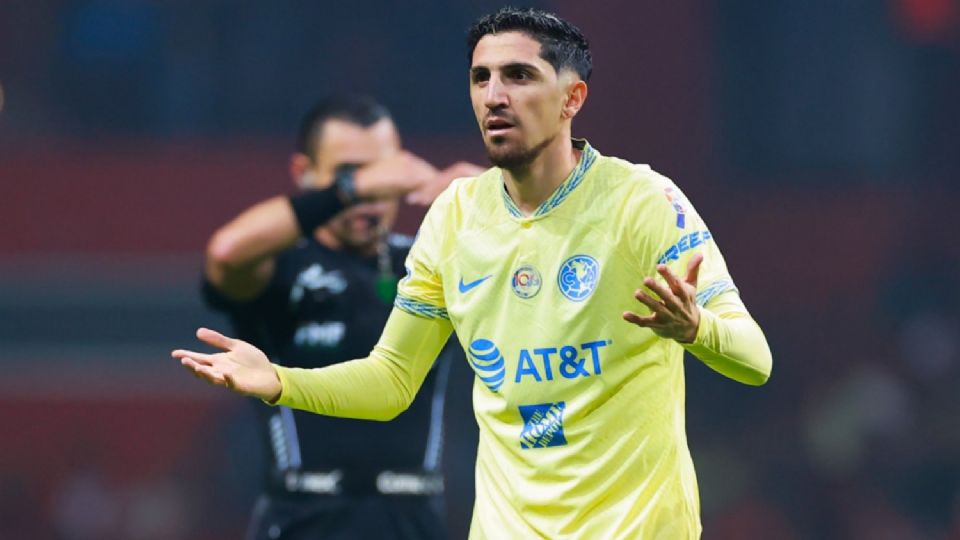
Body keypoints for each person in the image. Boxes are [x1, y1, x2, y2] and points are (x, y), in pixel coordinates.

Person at [175, 8, 773, 539]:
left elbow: (756, 360)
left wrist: (697, 329)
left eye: (519, 76)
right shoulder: (455, 218)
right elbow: (391, 381)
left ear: (572, 99)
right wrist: (280, 380)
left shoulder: (642, 201)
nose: (494, 95)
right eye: (480, 77)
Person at [201, 94, 482, 540]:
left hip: (414, 522)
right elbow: (226, 252)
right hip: (303, 521)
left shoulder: (430, 263)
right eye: (348, 172)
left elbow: (546, 270)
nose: (370, 192)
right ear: (304, 173)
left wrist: (495, 195)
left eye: (383, 172)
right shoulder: (281, 268)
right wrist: (355, 187)